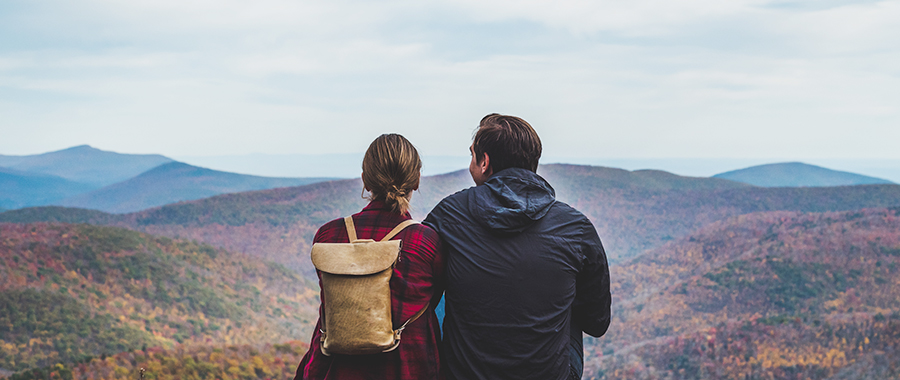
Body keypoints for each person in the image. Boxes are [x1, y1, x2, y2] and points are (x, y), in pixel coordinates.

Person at [424, 114, 611, 380]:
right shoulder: (576, 228)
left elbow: (419, 292)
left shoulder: (449, 216)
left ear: (485, 162)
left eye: (472, 155)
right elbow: (597, 322)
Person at [294, 133, 445, 380]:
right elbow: (435, 297)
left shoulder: (328, 235)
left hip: (337, 369)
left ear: (365, 180)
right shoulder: (426, 243)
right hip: (407, 368)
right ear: (416, 180)